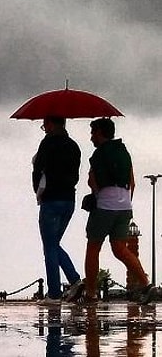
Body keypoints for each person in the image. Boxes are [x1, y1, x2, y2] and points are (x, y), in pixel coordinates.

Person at [81, 118, 152, 304]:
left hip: (105, 206)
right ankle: (145, 284)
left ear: (100, 133)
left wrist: (97, 196)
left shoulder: (98, 155)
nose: (91, 137)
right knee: (120, 249)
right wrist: (125, 202)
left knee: (93, 247)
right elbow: (132, 181)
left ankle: (91, 293)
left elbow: (93, 182)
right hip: (125, 206)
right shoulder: (124, 152)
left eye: (93, 133)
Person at [32, 115, 83, 302]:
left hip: (51, 199)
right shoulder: (73, 146)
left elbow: (37, 170)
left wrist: (37, 191)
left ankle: (55, 292)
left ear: (51, 124)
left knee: (50, 247)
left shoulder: (47, 144)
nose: (44, 128)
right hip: (69, 199)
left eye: (44, 125)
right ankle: (75, 281)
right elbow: (76, 176)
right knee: (53, 244)